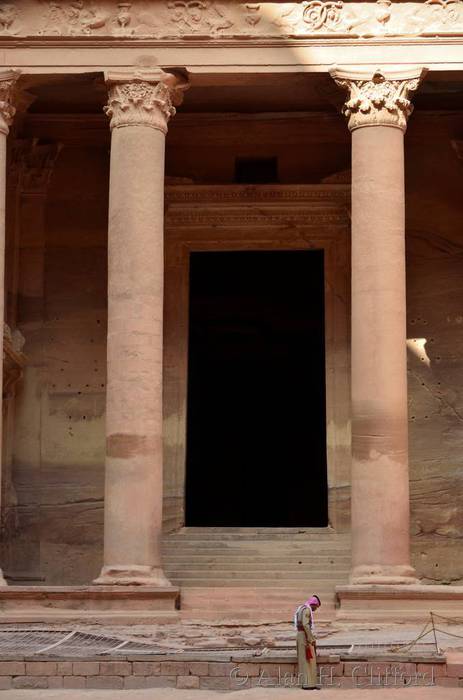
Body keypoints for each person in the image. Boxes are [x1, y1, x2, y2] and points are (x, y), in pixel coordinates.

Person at [294, 594, 321, 690]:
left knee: (304, 660)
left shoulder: (301, 608)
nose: (315, 609)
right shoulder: (307, 610)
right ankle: (309, 684)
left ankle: (307, 683)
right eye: (316, 607)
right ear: (313, 604)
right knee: (309, 660)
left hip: (301, 636)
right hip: (305, 637)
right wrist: (311, 639)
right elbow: (305, 625)